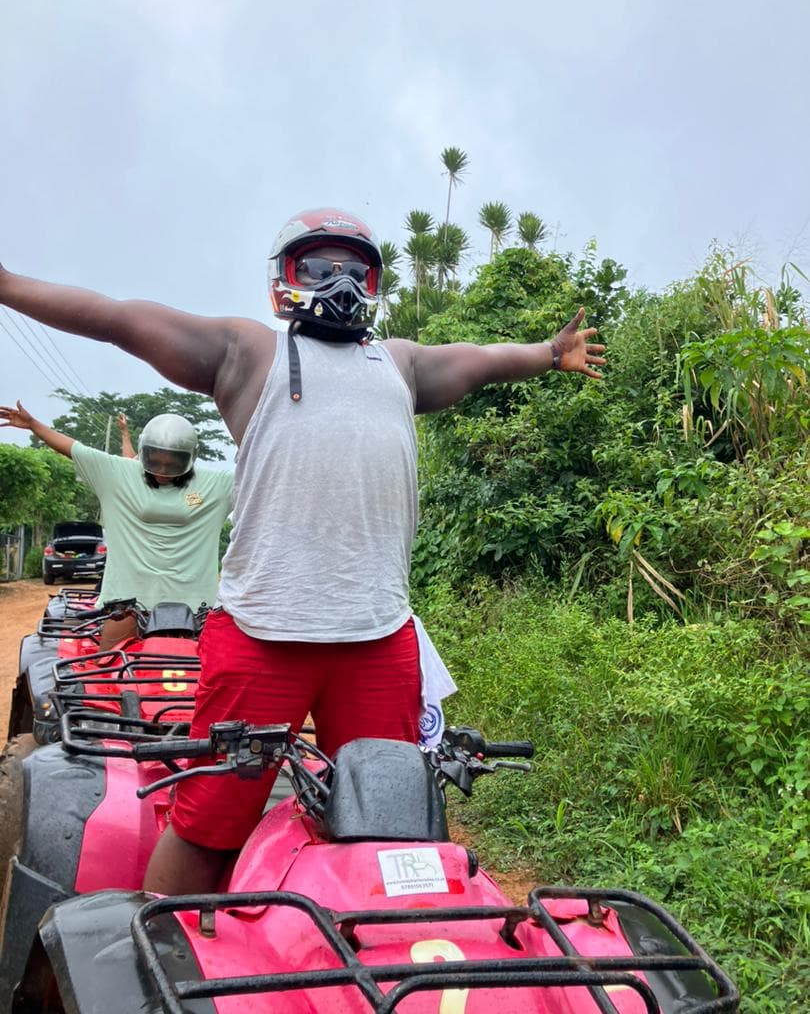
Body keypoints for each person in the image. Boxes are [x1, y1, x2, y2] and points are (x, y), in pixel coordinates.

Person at [0, 206, 605, 893]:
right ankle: (158, 963)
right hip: (262, 637)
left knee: (386, 827)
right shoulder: (247, 353)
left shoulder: (399, 364)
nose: (338, 282)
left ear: (377, 283)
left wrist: (548, 355)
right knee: (206, 830)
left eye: (356, 270)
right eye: (317, 267)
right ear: (282, 281)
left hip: (378, 641)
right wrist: (9, 283)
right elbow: (117, 318)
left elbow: (475, 361)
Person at [0, 402, 233, 647]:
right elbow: (75, 449)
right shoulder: (119, 474)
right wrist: (33, 425)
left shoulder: (216, 484)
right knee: (108, 671)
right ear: (144, 452)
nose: (163, 470)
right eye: (156, 461)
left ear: (190, 458)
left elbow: (263, 471)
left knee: (206, 679)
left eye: (172, 463)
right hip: (127, 605)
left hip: (197, 608)